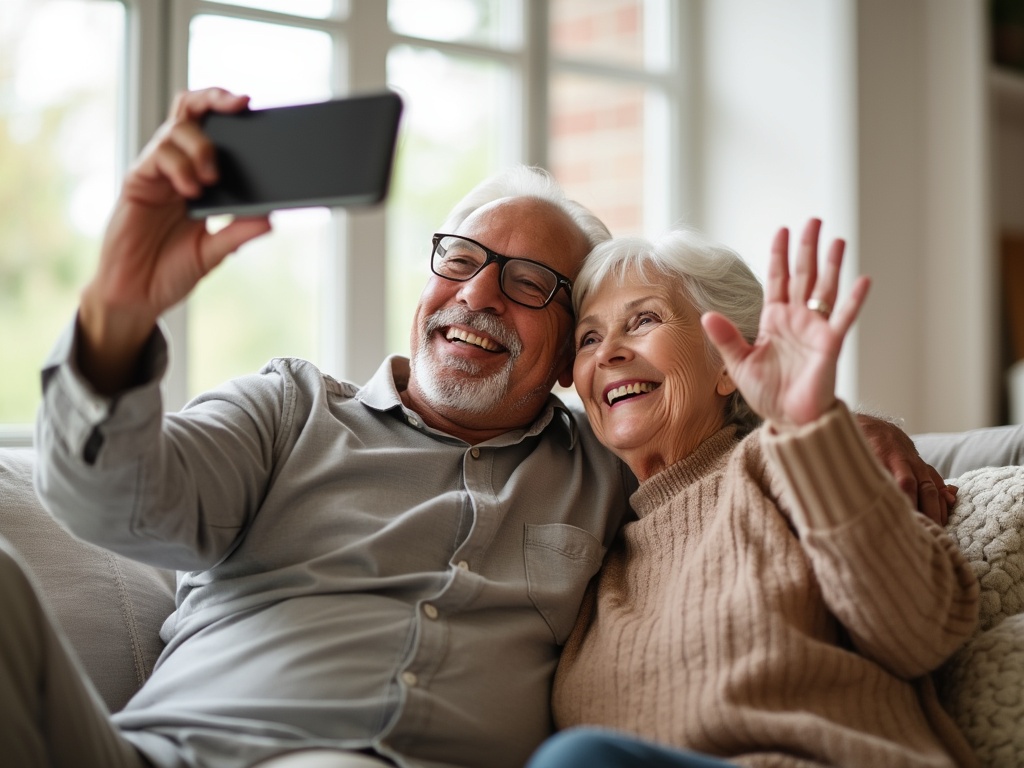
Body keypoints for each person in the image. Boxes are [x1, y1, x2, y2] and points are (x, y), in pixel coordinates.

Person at [0, 87, 965, 768]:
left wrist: (837, 423)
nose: (477, 294)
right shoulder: (289, 410)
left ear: (564, 367)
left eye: (532, 285)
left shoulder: (604, 469)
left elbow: (725, 443)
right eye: (461, 257)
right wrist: (116, 316)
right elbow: (104, 497)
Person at [528, 221, 980, 768]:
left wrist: (811, 427)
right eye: (589, 339)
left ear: (729, 363)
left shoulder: (794, 463)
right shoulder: (603, 564)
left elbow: (924, 629)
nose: (609, 354)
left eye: (643, 320)